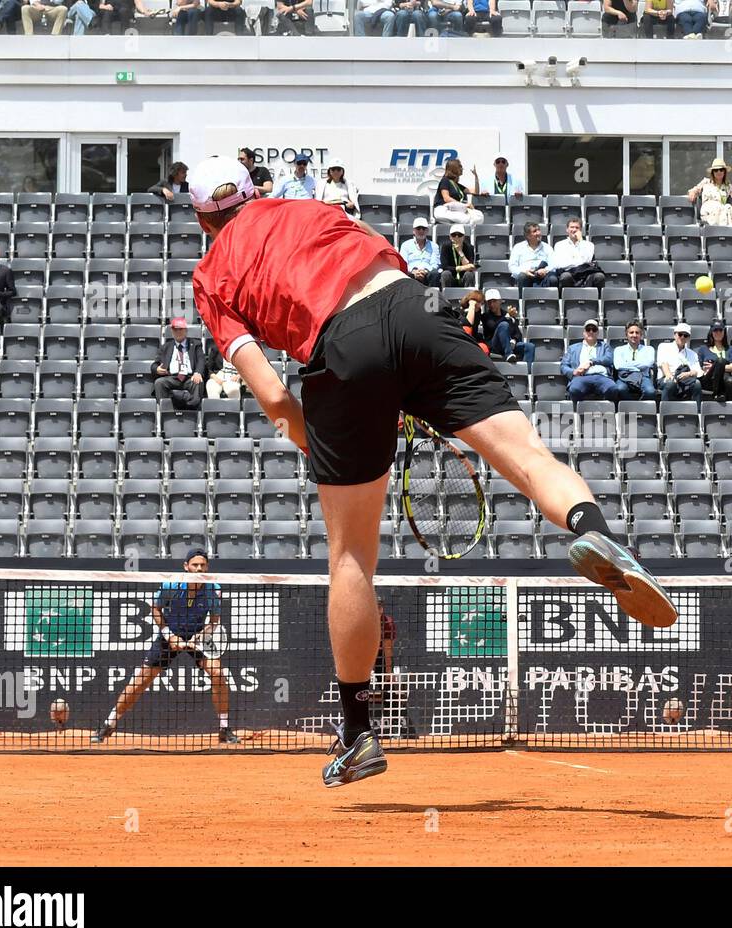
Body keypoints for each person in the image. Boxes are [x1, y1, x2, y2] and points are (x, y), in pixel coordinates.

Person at [186, 156, 676, 786]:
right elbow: (385, 270)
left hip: (340, 346)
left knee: (351, 558)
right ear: (257, 192)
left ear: (203, 220)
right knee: (529, 458)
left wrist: (331, 446)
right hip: (414, 307)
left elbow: (277, 402)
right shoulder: (314, 209)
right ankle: (591, 527)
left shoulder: (211, 275)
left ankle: (360, 733)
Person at [91, 549, 239, 745]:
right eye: (195, 565)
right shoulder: (171, 584)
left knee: (218, 674)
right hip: (169, 633)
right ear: (186, 566)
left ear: (207, 567)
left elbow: (214, 620)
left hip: (198, 635)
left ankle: (224, 728)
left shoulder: (214, 589)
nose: (199, 568)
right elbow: (156, 608)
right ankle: (108, 725)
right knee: (140, 680)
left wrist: (200, 636)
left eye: (202, 565)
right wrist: (169, 635)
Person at [562, 318, 622, 403]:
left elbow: (609, 359)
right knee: (574, 390)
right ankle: (578, 413)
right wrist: (573, 372)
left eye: (594, 329)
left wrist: (592, 362)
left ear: (597, 333)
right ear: (584, 332)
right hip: (581, 377)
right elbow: (564, 365)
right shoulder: (573, 348)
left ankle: (609, 413)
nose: (591, 332)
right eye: (588, 329)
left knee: (613, 389)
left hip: (601, 376)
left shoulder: (605, 346)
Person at [153, 316, 206, 409]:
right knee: (159, 383)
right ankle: (166, 413)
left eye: (180, 329)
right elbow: (155, 364)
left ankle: (191, 411)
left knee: (198, 382)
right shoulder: (165, 347)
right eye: (175, 329)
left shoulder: (196, 344)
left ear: (186, 330)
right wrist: (157, 369)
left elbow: (201, 360)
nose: (178, 332)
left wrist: (198, 373)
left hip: (189, 377)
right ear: (172, 331)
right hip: (172, 377)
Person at [546, 217, 605, 289]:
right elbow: (560, 264)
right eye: (572, 227)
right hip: (568, 274)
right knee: (565, 276)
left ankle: (596, 299)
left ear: (580, 230)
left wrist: (580, 241)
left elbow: (587, 260)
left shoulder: (589, 245)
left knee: (599, 276)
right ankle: (566, 299)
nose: (574, 230)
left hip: (585, 275)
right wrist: (579, 263)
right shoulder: (559, 245)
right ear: (567, 229)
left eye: (577, 227)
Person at [687, 158, 732, 228]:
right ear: (713, 172)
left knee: (728, 209)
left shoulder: (727, 186)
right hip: (708, 211)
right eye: (716, 170)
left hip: (721, 213)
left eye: (721, 170)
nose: (719, 172)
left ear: (724, 172)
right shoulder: (706, 182)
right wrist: (693, 193)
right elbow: (695, 189)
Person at [656, 323, 704, 406]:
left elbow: (699, 371)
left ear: (688, 338)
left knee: (697, 383)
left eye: (685, 335)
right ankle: (665, 413)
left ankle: (698, 413)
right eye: (680, 334)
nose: (682, 337)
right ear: (675, 335)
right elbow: (663, 363)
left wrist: (689, 373)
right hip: (666, 378)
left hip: (685, 380)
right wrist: (669, 375)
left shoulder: (692, 354)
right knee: (670, 383)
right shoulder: (664, 346)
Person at [483, 290, 534, 365]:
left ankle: (527, 372)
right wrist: (507, 317)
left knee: (530, 346)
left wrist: (514, 340)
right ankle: (509, 354)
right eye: (489, 302)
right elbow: (493, 327)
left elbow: (518, 333)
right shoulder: (486, 316)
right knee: (504, 325)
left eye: (494, 301)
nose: (491, 304)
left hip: (510, 344)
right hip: (495, 346)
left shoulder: (507, 315)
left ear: (500, 301)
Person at [432, 157, 485, 228]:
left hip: (456, 210)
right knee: (466, 219)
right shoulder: (445, 181)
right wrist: (464, 205)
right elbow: (446, 198)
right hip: (443, 210)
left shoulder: (458, 186)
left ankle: (462, 226)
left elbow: (476, 192)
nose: (462, 169)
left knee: (479, 215)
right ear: (453, 168)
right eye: (460, 166)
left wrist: (476, 177)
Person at [613, 321, 657, 401]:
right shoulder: (618, 350)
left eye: (637, 333)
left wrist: (627, 364)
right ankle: (631, 406)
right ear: (626, 334)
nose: (634, 335)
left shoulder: (649, 349)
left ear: (641, 335)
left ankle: (640, 407)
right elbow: (618, 365)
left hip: (643, 377)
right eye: (631, 332)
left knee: (650, 391)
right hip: (625, 376)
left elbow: (647, 363)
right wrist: (638, 367)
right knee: (620, 389)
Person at [696, 320, 732, 402]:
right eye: (715, 330)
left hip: (724, 380)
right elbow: (699, 368)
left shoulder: (730, 349)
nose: (718, 332)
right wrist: (716, 367)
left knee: (731, 381)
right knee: (721, 361)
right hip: (708, 380)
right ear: (711, 332)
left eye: (720, 330)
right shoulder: (703, 349)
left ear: (724, 332)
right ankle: (717, 393)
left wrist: (714, 366)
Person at [399, 216, 442, 288]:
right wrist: (414, 271)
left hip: (427, 274)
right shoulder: (405, 245)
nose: (421, 231)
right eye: (418, 228)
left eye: (424, 229)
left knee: (435, 273)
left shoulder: (434, 246)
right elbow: (403, 262)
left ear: (427, 231)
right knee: (405, 274)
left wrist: (425, 271)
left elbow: (435, 263)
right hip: (411, 273)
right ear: (413, 231)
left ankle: (432, 298)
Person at [510, 221, 551, 290]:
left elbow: (554, 264)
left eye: (539, 230)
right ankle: (521, 300)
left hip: (542, 276)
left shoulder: (547, 247)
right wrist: (524, 271)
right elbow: (512, 266)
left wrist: (545, 270)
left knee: (553, 279)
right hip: (525, 276)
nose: (538, 233)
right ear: (528, 235)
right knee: (522, 276)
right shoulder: (518, 247)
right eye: (535, 231)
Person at [440, 224, 478, 289]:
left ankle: (468, 297)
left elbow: (470, 267)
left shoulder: (469, 247)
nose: (457, 237)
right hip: (451, 277)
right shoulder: (445, 247)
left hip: (464, 277)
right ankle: (446, 297)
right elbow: (444, 266)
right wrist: (461, 268)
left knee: (469, 274)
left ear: (463, 237)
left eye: (460, 235)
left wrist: (460, 252)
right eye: (454, 235)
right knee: (445, 274)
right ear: (450, 237)